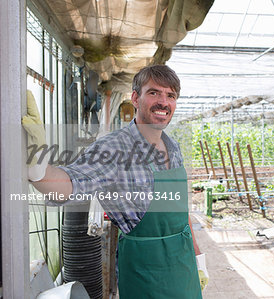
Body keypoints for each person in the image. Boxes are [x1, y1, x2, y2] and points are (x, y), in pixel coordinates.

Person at [22, 65, 208, 298]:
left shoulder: (174, 147)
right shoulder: (114, 148)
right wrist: (39, 169)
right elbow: (70, 184)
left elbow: (181, 211)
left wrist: (198, 258)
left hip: (184, 267)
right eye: (154, 93)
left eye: (170, 96)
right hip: (146, 274)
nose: (163, 102)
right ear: (135, 98)